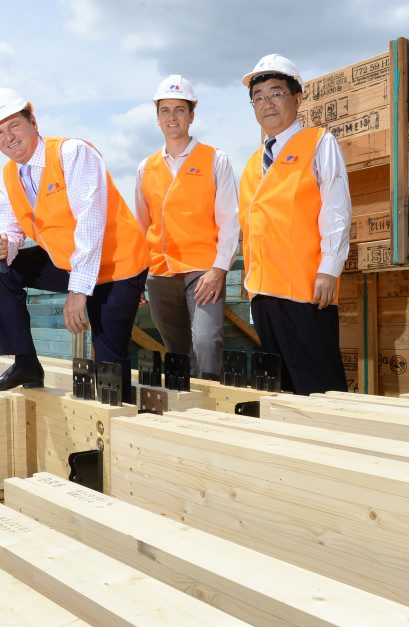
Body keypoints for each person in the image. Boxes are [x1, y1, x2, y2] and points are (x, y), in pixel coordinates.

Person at [0, 87, 149, 402]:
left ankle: (123, 421)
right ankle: (25, 363)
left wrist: (78, 293)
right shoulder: (8, 175)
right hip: (70, 263)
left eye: (14, 125)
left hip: (116, 265)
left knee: (109, 371)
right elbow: (12, 227)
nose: (8, 137)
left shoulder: (72, 153)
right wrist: (5, 246)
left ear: (33, 122)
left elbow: (90, 224)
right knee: (0, 268)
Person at [239, 54, 351, 395]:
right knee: (281, 390)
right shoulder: (253, 163)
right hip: (264, 294)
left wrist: (329, 268)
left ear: (297, 98)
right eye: (258, 98)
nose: (266, 104)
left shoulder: (318, 142)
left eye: (275, 93)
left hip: (306, 291)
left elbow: (336, 207)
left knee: (319, 387)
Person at [133, 75, 239, 380]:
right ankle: (186, 416)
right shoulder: (146, 168)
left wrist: (219, 270)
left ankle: (210, 414)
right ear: (157, 118)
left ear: (192, 115)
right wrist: (138, 277)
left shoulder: (215, 160)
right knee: (177, 351)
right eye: (165, 110)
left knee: (207, 343)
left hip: (203, 272)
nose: (172, 117)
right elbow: (141, 226)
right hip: (160, 273)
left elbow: (230, 220)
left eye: (179, 110)